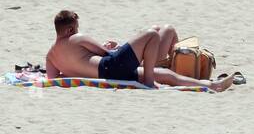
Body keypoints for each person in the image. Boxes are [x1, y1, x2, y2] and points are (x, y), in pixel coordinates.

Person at [45, 11, 235, 89]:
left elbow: (54, 78)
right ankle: (150, 82)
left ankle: (212, 86)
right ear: (70, 29)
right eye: (76, 27)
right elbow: (105, 53)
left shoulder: (51, 56)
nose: (77, 30)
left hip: (109, 74)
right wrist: (112, 47)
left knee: (166, 74)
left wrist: (76, 66)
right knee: (151, 34)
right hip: (111, 66)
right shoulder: (76, 38)